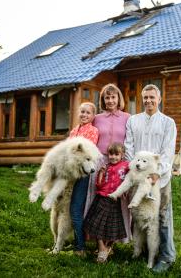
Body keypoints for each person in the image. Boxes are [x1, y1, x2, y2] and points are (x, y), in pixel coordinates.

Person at [124, 84, 177, 273]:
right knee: (138, 216)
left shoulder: (168, 123)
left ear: (159, 99)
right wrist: (135, 173)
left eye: (152, 97)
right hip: (138, 179)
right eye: (145, 98)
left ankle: (166, 256)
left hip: (159, 179)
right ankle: (143, 251)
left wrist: (157, 173)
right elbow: (128, 147)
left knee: (162, 217)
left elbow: (168, 151)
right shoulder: (133, 121)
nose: (148, 101)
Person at [85, 83, 132, 243]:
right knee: (97, 199)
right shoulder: (97, 118)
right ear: (103, 100)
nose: (110, 100)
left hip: (120, 165)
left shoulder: (127, 118)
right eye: (107, 97)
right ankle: (95, 235)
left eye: (113, 97)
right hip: (101, 162)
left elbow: (130, 141)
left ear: (118, 98)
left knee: (119, 199)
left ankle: (116, 239)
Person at [83, 143, 129, 263]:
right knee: (95, 223)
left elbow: (131, 179)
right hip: (102, 197)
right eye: (111, 154)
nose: (113, 157)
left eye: (116, 154)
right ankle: (102, 248)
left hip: (114, 200)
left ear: (122, 155)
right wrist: (101, 173)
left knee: (111, 226)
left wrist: (125, 191)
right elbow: (98, 185)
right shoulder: (106, 167)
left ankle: (107, 247)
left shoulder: (126, 166)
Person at [68, 102, 99, 257]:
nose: (84, 115)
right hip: (70, 172)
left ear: (93, 116)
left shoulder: (93, 131)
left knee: (76, 208)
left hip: (82, 174)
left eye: (88, 113)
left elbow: (86, 153)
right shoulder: (74, 131)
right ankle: (75, 242)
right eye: (82, 112)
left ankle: (80, 248)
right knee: (70, 208)